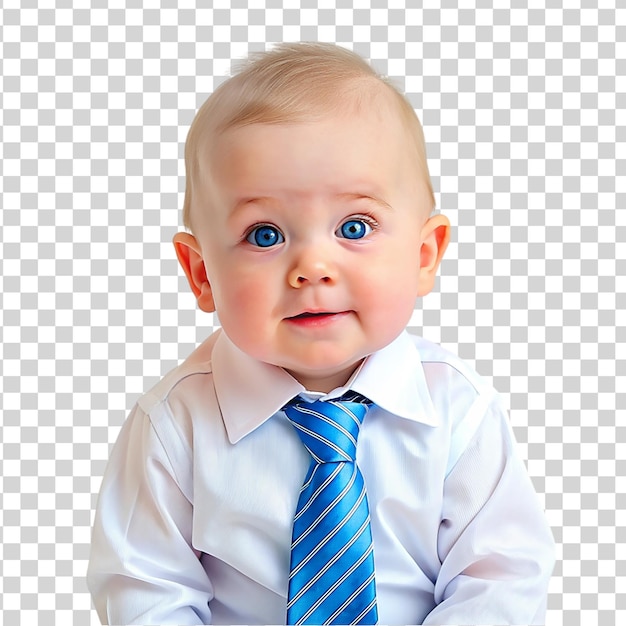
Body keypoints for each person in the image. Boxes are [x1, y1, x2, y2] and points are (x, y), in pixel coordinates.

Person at [87, 42, 555, 625]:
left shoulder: (459, 411)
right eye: (265, 235)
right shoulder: (175, 423)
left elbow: (500, 576)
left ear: (424, 254)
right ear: (202, 273)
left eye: (354, 226)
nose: (312, 266)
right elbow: (145, 588)